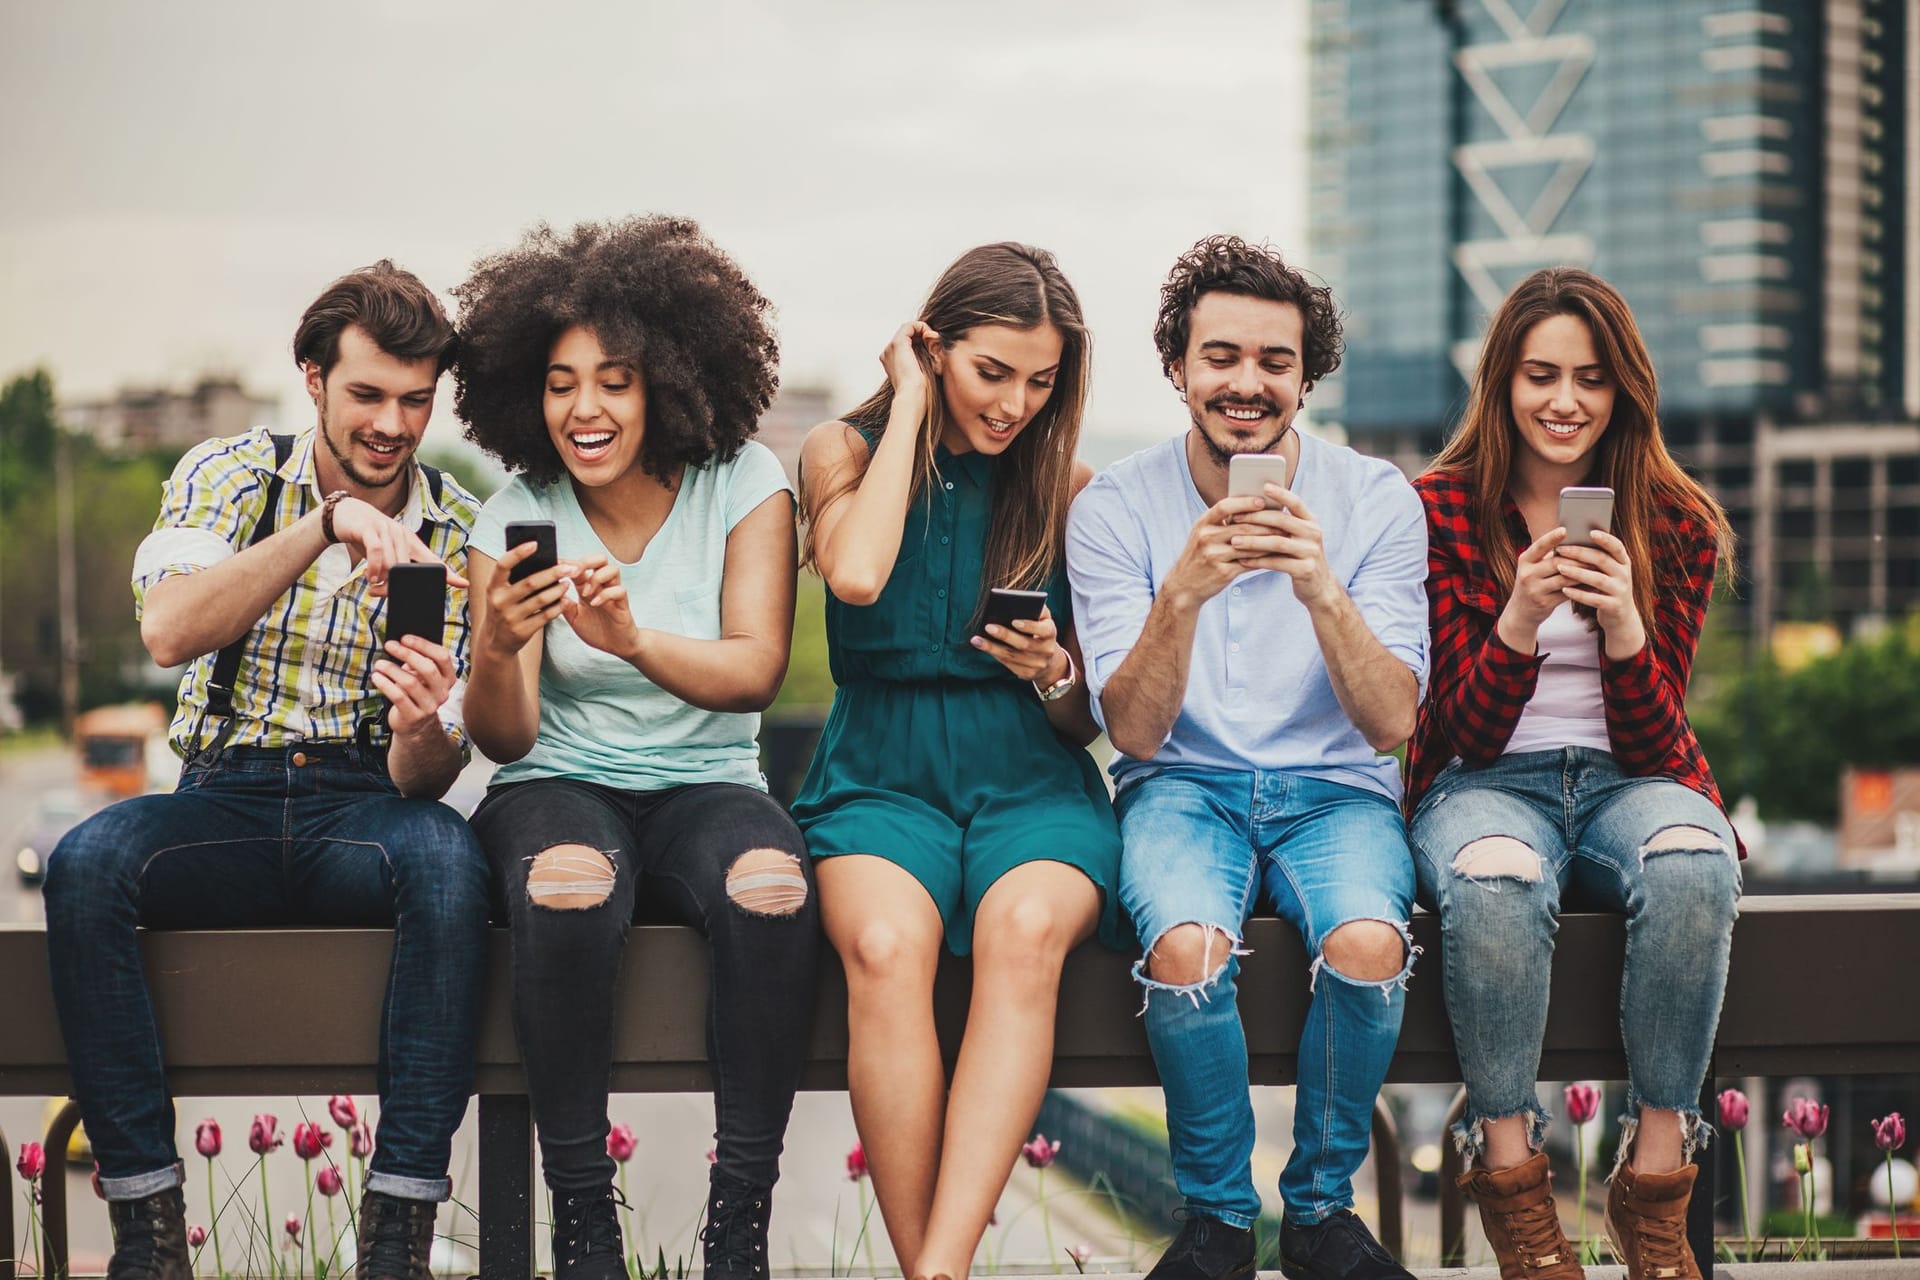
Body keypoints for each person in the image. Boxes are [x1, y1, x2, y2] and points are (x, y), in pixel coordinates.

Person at [44, 261, 488, 1280]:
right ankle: (148, 1235)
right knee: (87, 863)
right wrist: (323, 525)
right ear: (313, 379)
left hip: (362, 807)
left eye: (416, 400)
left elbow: (426, 775)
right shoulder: (232, 472)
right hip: (223, 800)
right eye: (368, 394)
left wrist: (424, 722)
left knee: (451, 861)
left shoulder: (460, 527)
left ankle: (398, 1235)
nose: (392, 423)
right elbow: (169, 628)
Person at [454, 217, 818, 1280]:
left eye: (613, 380)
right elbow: (504, 733)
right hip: (557, 782)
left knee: (772, 886)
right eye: (562, 383)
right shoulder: (516, 513)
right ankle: (583, 1218)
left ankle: (739, 1219)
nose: (585, 408)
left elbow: (755, 669)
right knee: (565, 882)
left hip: (710, 780)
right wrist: (496, 645)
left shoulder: (745, 481)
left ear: (668, 378)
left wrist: (630, 639)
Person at [1067, 235, 1428, 1280]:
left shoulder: (1376, 500)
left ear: (1305, 378)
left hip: (1337, 790)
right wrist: (1181, 591)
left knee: (1367, 940)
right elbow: (1129, 731)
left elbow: (1391, 720)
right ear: (1178, 367)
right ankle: (1219, 1218)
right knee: (1185, 947)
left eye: (1276, 360)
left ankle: (1319, 1211)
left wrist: (1321, 587)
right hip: (1180, 782)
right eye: (1220, 355)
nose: (1247, 382)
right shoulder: (1117, 507)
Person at [791, 242, 1123, 1280]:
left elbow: (1083, 722)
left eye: (1042, 380)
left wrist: (1053, 670)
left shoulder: (1069, 486)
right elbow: (853, 572)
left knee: (1025, 933)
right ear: (933, 348)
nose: (1016, 402)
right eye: (991, 372)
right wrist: (905, 402)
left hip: (1029, 776)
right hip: (880, 774)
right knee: (888, 948)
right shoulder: (840, 452)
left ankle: (936, 1270)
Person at [1405, 267, 1741, 1280]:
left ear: (1623, 390)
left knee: (1695, 862)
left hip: (1624, 779)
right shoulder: (1440, 509)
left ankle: (1654, 1181)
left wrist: (1629, 626)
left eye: (1591, 379)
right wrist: (1515, 617)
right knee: (1496, 877)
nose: (1565, 401)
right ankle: (1513, 1181)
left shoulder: (1675, 519)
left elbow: (1652, 744)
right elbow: (1457, 725)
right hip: (1481, 781)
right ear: (1501, 383)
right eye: (1541, 374)